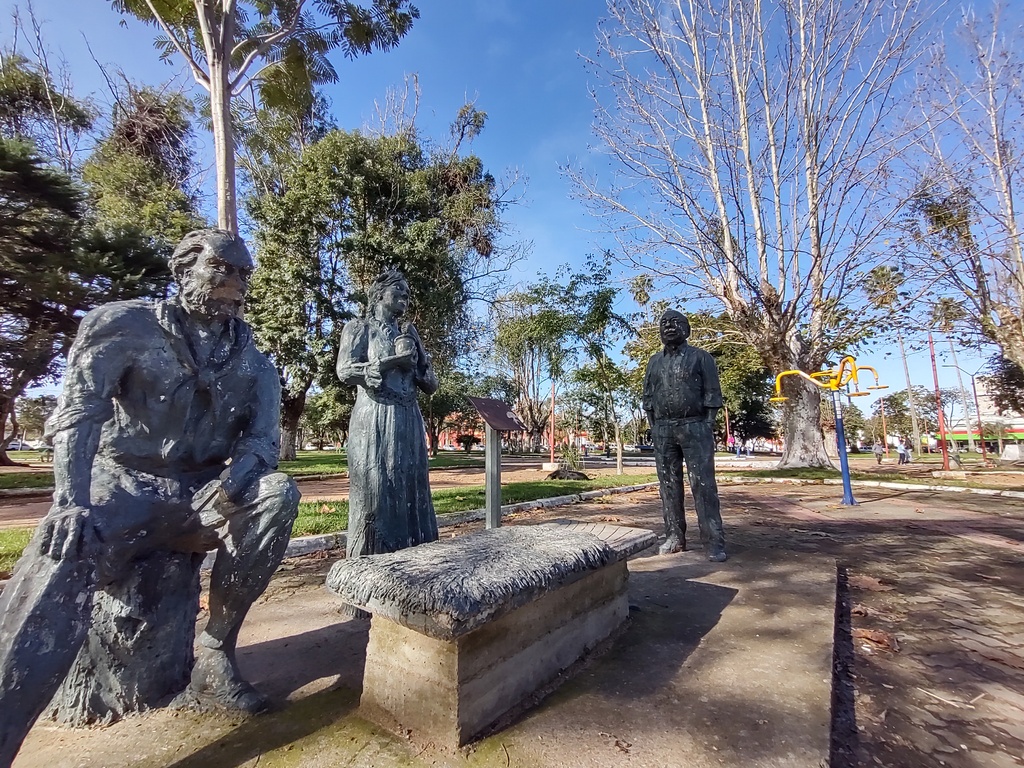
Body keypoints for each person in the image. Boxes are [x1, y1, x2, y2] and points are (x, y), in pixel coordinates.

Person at [0, 229, 300, 766]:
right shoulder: (124, 325)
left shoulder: (255, 363)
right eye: (223, 269)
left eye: (244, 275)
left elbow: (262, 441)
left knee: (276, 494)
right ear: (183, 270)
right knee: (62, 547)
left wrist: (242, 474)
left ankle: (215, 651)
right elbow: (77, 414)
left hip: (202, 495)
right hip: (120, 485)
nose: (237, 284)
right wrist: (69, 499)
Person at [336, 269, 439, 557]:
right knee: (376, 493)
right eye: (399, 291)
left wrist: (421, 362)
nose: (405, 296)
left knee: (412, 490)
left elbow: (430, 385)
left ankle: (419, 568)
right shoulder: (359, 328)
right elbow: (344, 370)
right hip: (375, 418)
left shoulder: (408, 333)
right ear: (380, 295)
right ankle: (365, 574)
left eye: (408, 293)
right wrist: (387, 364)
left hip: (408, 417)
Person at [643, 309, 727, 562]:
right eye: (664, 323)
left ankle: (713, 541)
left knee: (703, 486)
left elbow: (712, 392)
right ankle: (674, 536)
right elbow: (648, 396)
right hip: (663, 429)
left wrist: (708, 424)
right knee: (668, 486)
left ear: (687, 329)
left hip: (695, 426)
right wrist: (654, 425)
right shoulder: (654, 362)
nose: (668, 327)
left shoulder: (701, 358)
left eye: (675, 322)